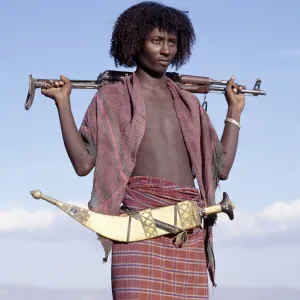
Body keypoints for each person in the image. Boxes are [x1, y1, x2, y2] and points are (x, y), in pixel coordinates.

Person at [41, 1, 245, 299]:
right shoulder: (112, 99)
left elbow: (221, 169)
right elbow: (83, 164)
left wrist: (235, 112)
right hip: (137, 230)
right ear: (135, 42)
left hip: (187, 232)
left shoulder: (189, 105)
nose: (166, 50)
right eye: (156, 41)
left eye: (172, 42)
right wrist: (63, 103)